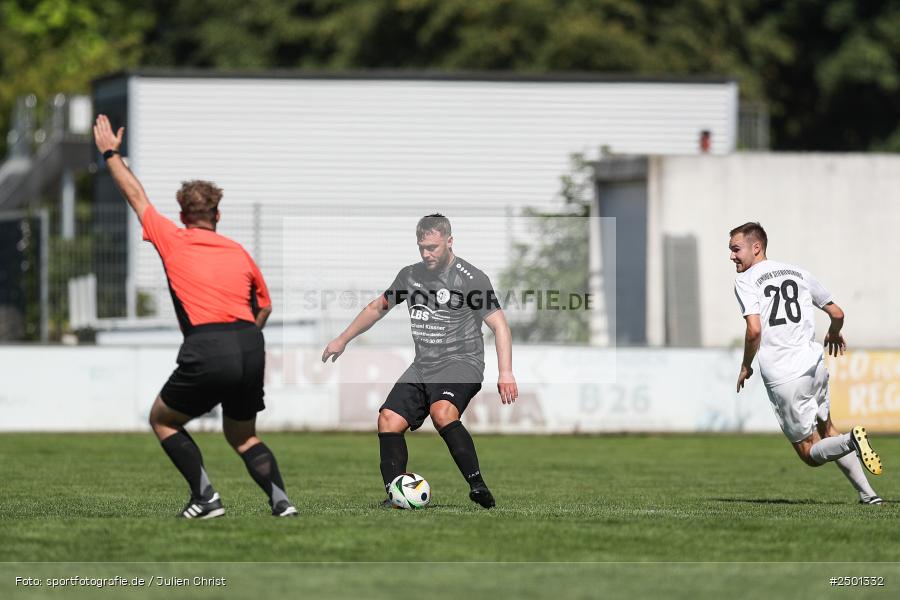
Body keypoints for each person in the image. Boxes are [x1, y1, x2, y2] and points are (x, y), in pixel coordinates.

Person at [93, 115, 297, 518]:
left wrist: (110, 154)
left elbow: (136, 195)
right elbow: (265, 305)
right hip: (249, 342)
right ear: (217, 215)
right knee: (242, 435)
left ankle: (206, 499)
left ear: (182, 215)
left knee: (163, 418)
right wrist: (242, 342)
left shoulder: (172, 238)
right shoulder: (238, 252)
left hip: (210, 343)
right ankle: (282, 503)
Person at [322, 214, 518, 508]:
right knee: (388, 419)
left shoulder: (471, 278)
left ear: (449, 242)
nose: (427, 254)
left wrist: (506, 372)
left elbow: (500, 326)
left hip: (462, 362)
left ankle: (477, 485)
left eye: (433, 247)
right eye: (422, 247)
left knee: (442, 413)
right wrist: (343, 338)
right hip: (424, 364)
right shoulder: (410, 275)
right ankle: (396, 494)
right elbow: (378, 308)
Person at [730, 222, 883, 504]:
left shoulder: (747, 279)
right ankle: (869, 496)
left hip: (785, 374)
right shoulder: (799, 272)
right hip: (814, 365)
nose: (732, 257)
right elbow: (837, 312)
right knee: (828, 431)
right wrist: (834, 333)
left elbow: (754, 330)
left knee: (809, 453)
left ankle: (853, 440)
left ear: (756, 247)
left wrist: (745, 365)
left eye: (736, 249)